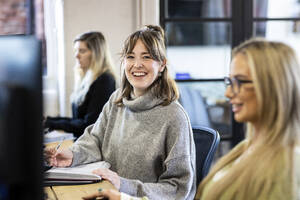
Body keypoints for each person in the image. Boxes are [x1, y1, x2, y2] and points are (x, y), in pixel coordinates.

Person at [45, 25, 196, 200]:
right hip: (106, 193)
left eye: (146, 57)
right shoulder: (117, 100)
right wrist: (72, 155)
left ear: (162, 64)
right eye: (130, 57)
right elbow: (96, 139)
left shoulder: (174, 117)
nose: (137, 64)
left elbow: (178, 188)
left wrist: (124, 186)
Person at [194, 38, 300, 199]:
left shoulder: (286, 167)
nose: (228, 93)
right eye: (230, 81)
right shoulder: (245, 148)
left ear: (272, 86)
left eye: (240, 82)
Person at [44, 31, 116, 138]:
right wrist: (49, 120)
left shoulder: (105, 80)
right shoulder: (88, 78)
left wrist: (51, 124)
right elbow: (78, 120)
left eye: (82, 51)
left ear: (96, 54)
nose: (76, 55)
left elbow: (89, 125)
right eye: (76, 50)